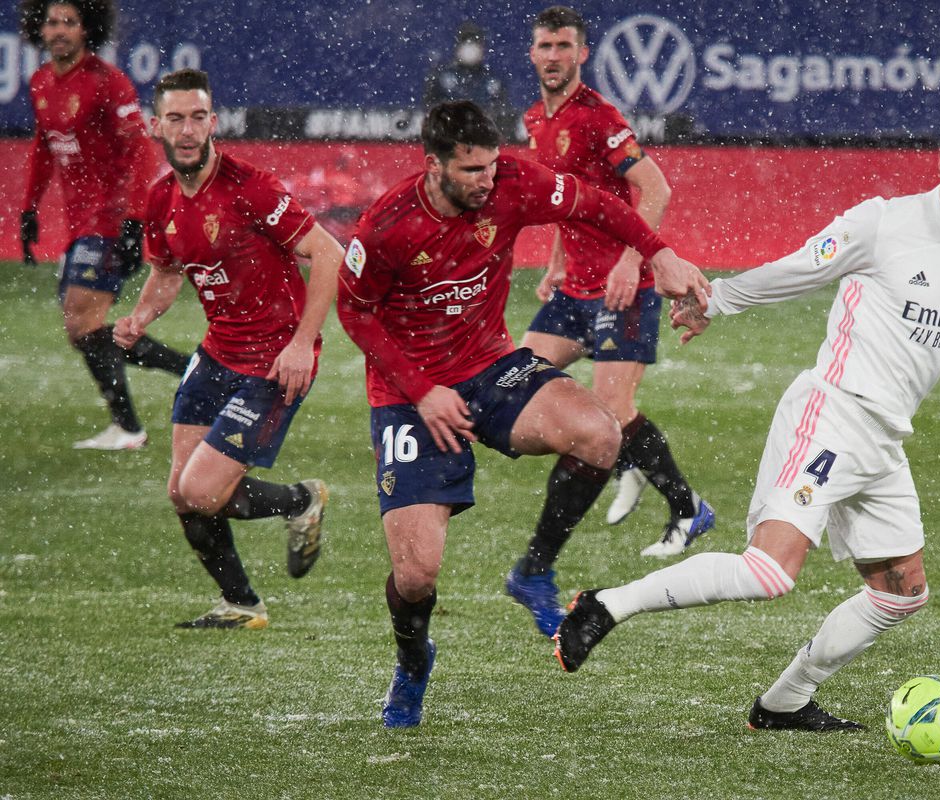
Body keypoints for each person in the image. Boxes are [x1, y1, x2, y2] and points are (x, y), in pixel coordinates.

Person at [554, 107, 940, 731]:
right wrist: (719, 300)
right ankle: (607, 604)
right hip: (832, 413)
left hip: (884, 440)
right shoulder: (883, 223)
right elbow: (799, 269)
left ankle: (783, 704)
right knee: (768, 572)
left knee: (901, 592)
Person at [335, 100, 708, 727]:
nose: (488, 178)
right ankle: (412, 661)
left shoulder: (513, 179)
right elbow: (355, 313)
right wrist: (422, 390)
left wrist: (657, 252)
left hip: (490, 366)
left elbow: (595, 203)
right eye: (472, 170)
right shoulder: (385, 227)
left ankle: (534, 570)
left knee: (600, 433)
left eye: (490, 165)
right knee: (418, 573)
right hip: (410, 396)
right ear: (434, 166)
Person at [114, 69, 342, 629]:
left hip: (275, 363)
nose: (187, 129)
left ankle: (299, 501)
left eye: (198, 117)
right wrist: (140, 315)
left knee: (200, 489)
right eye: (175, 118)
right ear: (157, 125)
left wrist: (301, 343)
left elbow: (330, 253)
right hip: (217, 354)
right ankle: (241, 604)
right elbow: (168, 272)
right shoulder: (160, 198)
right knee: (181, 493)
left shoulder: (250, 186)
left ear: (213, 122)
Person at [521, 6, 713, 558]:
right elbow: (566, 194)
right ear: (532, 54)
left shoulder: (600, 117)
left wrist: (633, 260)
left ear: (582, 54)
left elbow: (655, 190)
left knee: (611, 414)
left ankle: (687, 508)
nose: (553, 56)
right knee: (514, 379)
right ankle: (626, 458)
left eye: (564, 46)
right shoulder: (538, 118)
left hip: (620, 289)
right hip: (574, 289)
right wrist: (557, 258)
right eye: (545, 46)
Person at [18, 0, 190, 450]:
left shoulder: (108, 82)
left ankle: (130, 428)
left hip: (111, 218)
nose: (59, 30)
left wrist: (135, 219)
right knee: (86, 330)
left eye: (69, 22)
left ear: (86, 28)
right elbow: (43, 148)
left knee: (81, 323)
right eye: (52, 22)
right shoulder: (40, 82)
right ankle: (192, 373)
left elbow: (139, 151)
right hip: (80, 222)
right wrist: (29, 208)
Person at [422, 22, 517, 139]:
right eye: (465, 41)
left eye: (474, 42)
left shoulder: (493, 80)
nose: (470, 47)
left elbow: (502, 113)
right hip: (448, 138)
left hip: (482, 138)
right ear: (458, 46)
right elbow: (430, 109)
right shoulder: (442, 77)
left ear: (482, 48)